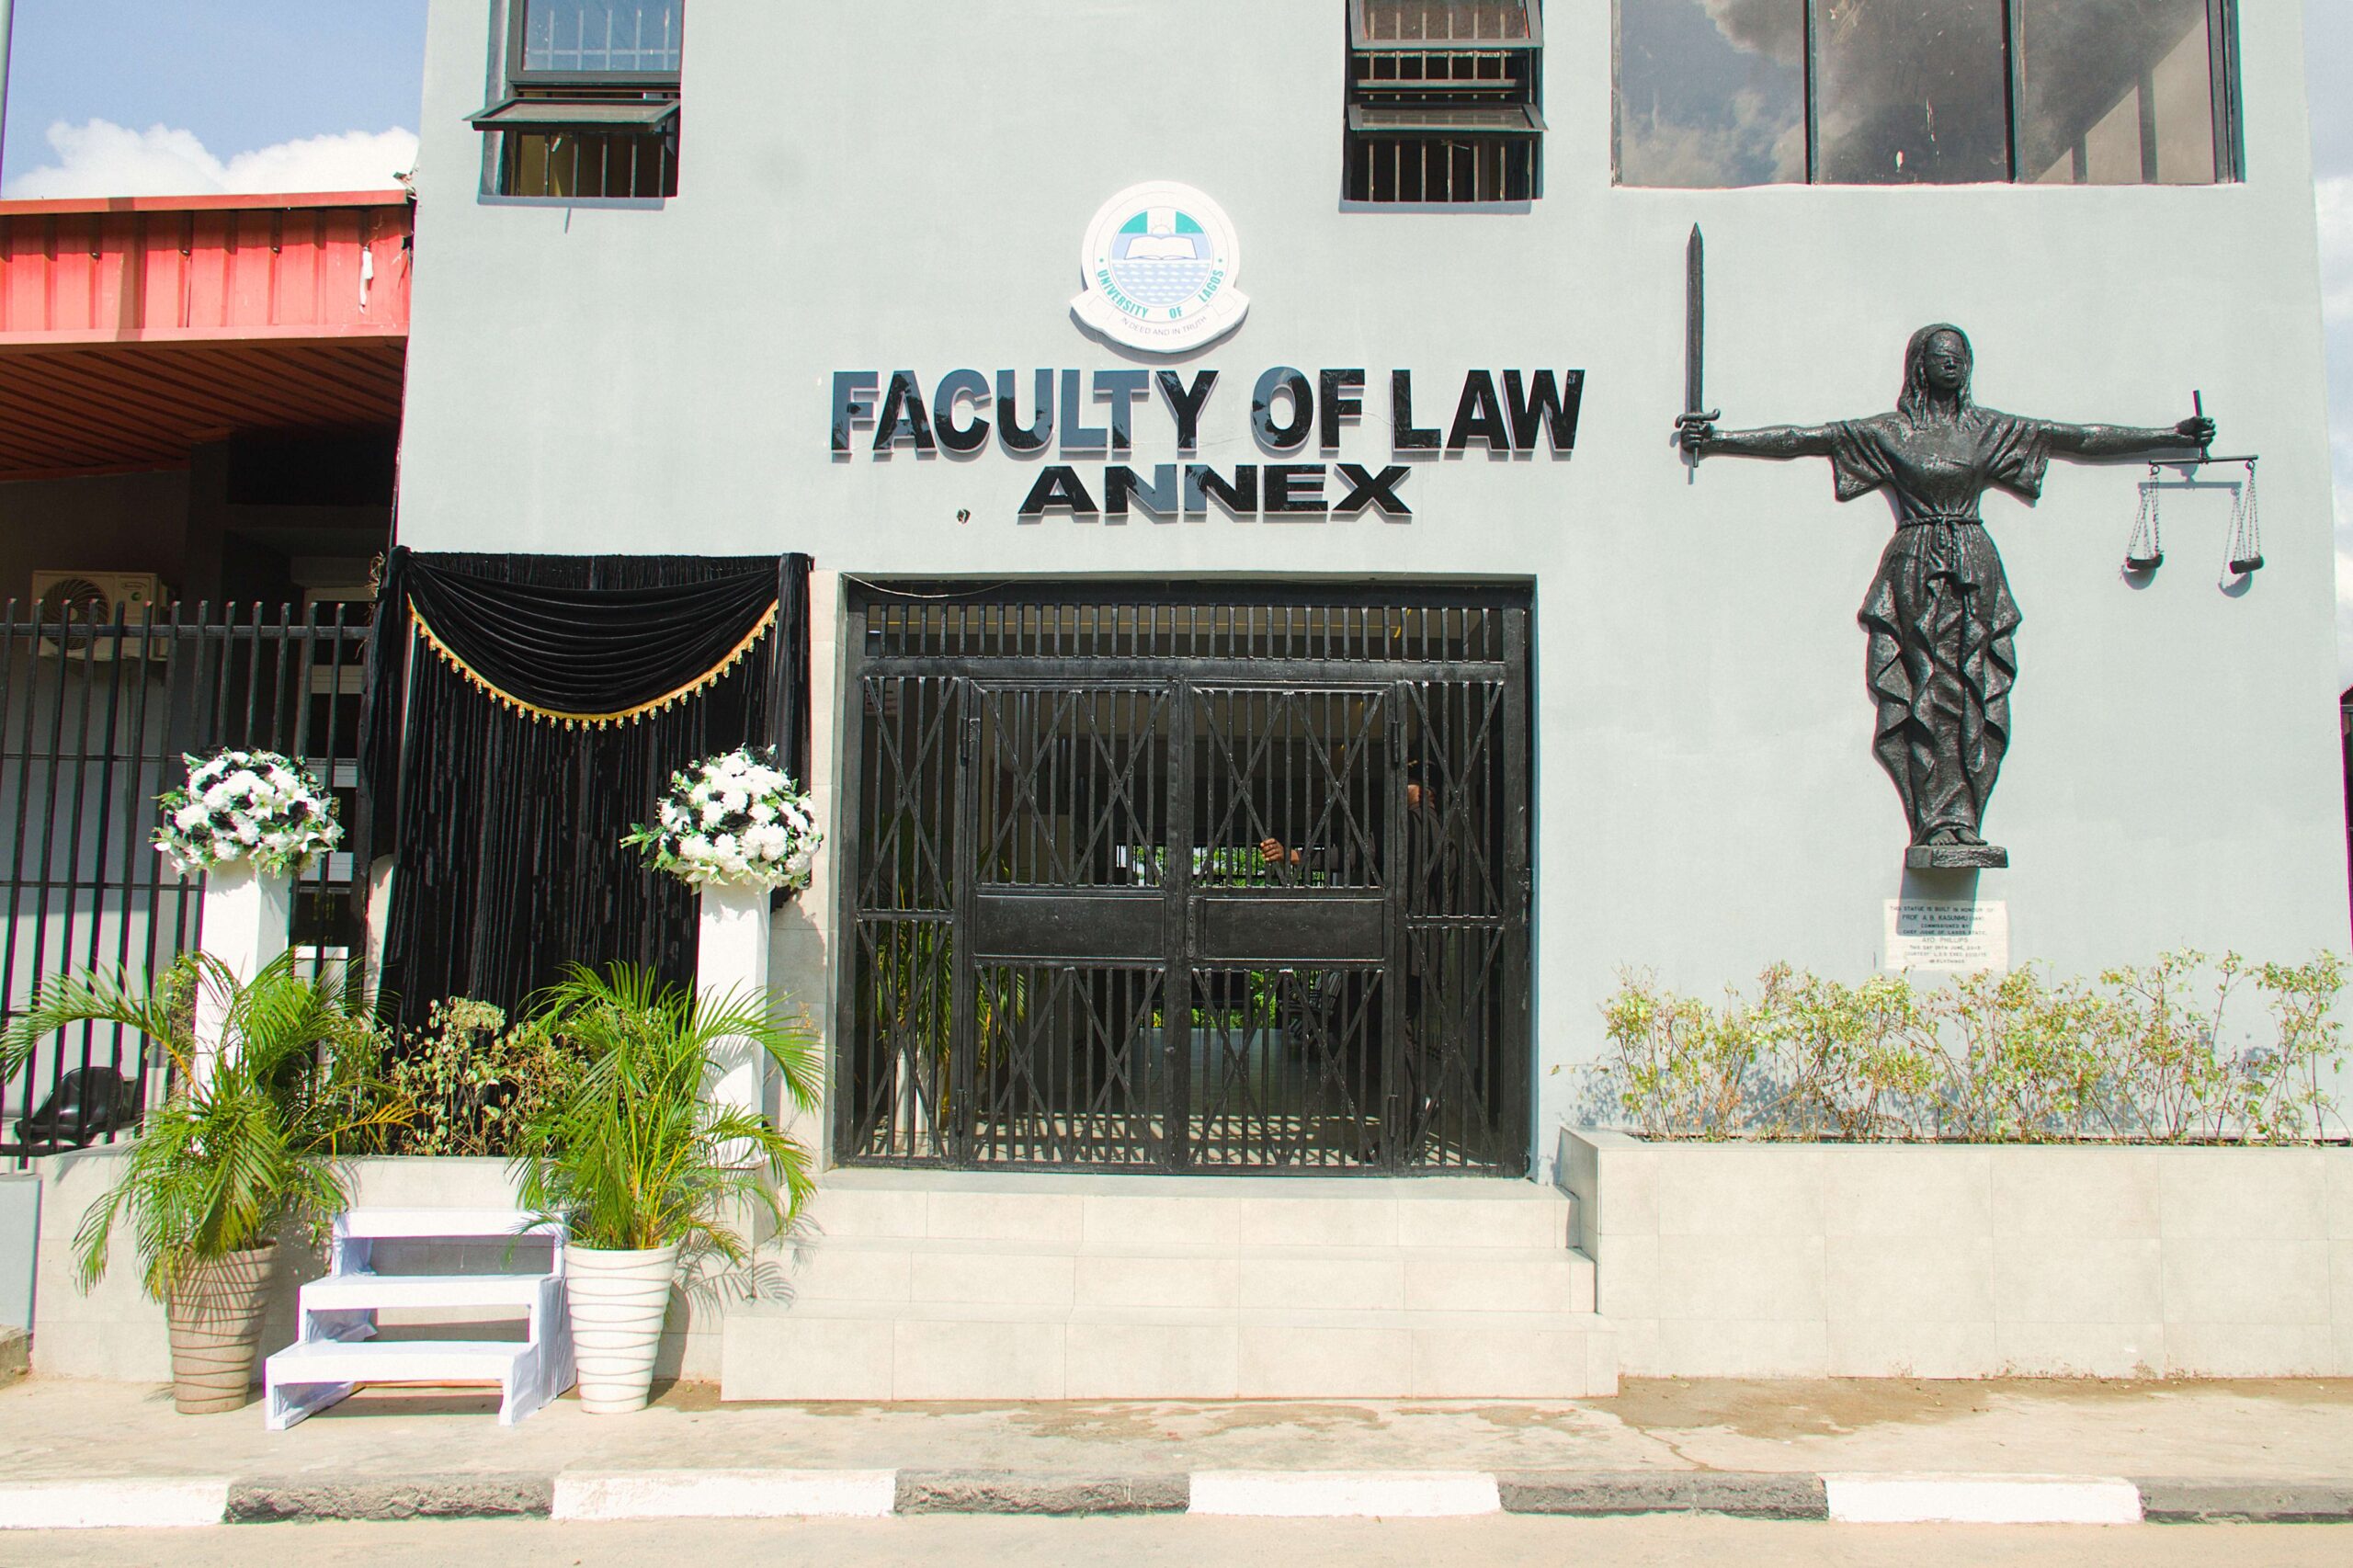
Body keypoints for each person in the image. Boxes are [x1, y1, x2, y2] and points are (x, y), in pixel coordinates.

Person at [1677, 324, 2213, 858]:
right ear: (1920, 364)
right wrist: (1721, 441)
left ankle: (1965, 819)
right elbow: (1804, 440)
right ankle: (1933, 821)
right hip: (1914, 565)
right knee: (1925, 688)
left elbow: (2080, 438)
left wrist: (2172, 437)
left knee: (1976, 686)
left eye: (1960, 355)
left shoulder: (1989, 430)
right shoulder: (1891, 432)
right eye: (1941, 355)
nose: (1952, 363)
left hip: (1976, 565)